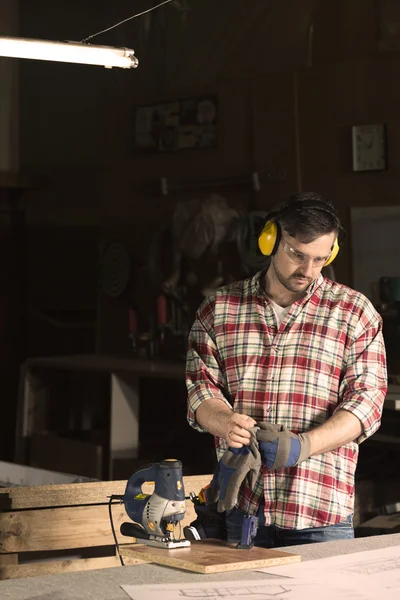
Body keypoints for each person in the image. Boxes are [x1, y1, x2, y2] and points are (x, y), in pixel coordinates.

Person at [185, 192, 387, 548]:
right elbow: (201, 392)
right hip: (242, 509)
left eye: (320, 259)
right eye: (297, 254)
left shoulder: (355, 313)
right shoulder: (219, 309)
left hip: (320, 511)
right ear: (271, 240)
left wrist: (304, 446)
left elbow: (366, 405)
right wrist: (225, 422)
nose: (308, 271)